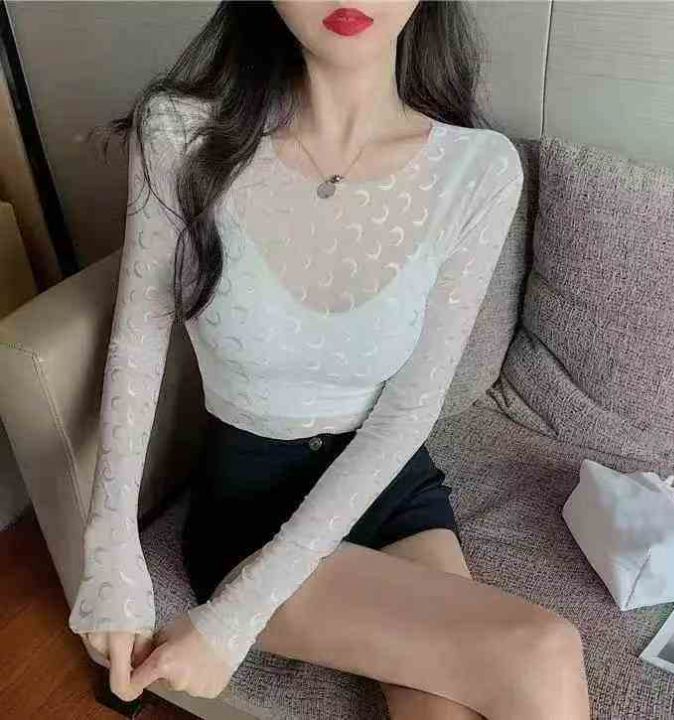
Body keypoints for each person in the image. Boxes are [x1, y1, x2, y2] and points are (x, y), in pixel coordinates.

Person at [68, 2, 591, 718]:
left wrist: (232, 623)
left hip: (387, 485)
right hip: (249, 506)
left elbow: (409, 410)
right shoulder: (181, 133)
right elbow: (136, 344)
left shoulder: (477, 170)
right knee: (543, 651)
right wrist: (111, 556)